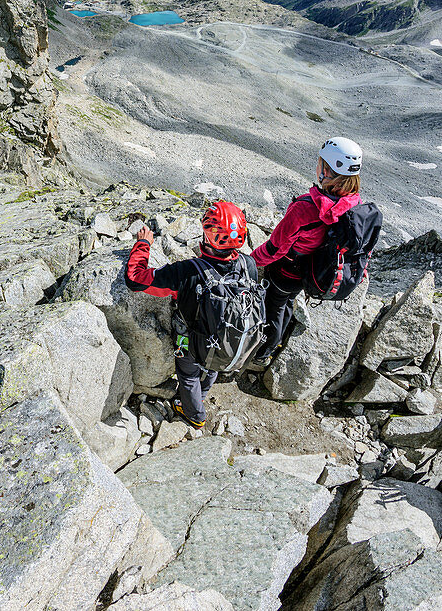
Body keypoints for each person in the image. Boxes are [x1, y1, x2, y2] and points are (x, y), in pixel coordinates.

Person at [125, 200, 254, 429]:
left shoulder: (187, 272)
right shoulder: (249, 264)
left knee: (188, 375)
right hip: (227, 339)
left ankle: (194, 414)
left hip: (192, 343)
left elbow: (135, 278)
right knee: (212, 364)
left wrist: (143, 244)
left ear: (208, 235)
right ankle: (202, 394)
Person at [251, 136, 364, 366]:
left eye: (321, 162)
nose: (317, 166)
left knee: (275, 306)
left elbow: (275, 248)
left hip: (287, 271)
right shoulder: (354, 206)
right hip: (315, 271)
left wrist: (248, 262)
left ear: (327, 172)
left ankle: (263, 352)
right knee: (288, 301)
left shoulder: (305, 209)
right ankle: (277, 341)